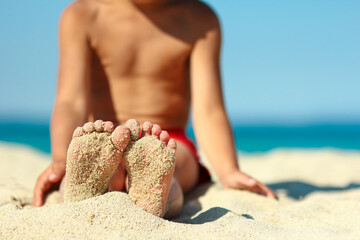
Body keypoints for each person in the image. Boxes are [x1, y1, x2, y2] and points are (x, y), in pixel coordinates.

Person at [33, 0, 277, 218]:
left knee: (169, 164)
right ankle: (88, 185)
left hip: (169, 140)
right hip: (105, 139)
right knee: (93, 165)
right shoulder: (82, 15)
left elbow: (209, 111)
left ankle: (152, 191)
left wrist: (228, 170)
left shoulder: (199, 20)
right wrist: (60, 160)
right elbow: (70, 101)